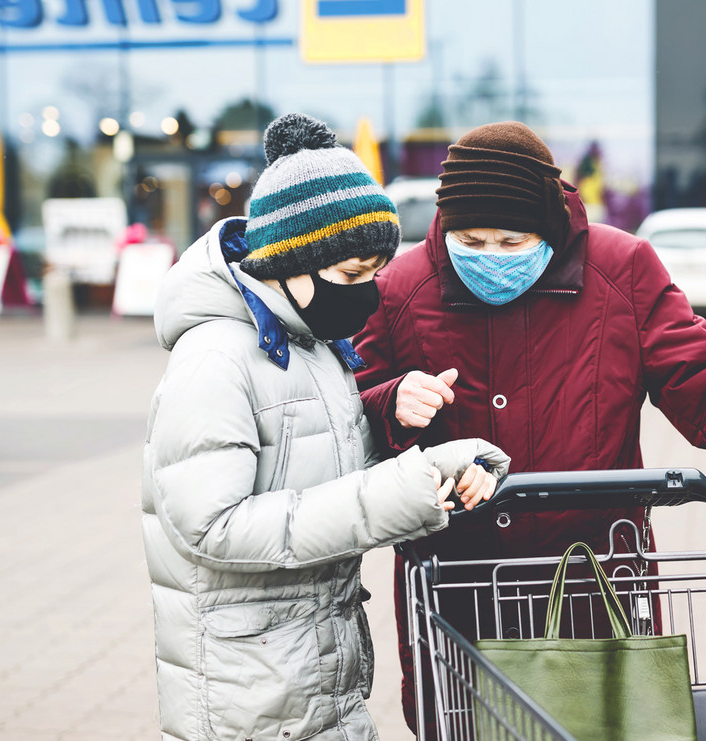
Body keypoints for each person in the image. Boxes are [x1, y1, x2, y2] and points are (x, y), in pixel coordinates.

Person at [353, 121, 706, 734]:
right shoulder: (400, 290)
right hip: (459, 584)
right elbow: (346, 412)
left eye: (512, 241)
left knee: (607, 724)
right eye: (471, 239)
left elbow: (705, 372)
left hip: (597, 577)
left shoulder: (623, 270)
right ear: (443, 227)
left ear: (548, 224)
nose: (491, 257)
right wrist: (390, 401)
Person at [140, 113, 510, 741]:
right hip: (250, 690)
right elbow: (211, 527)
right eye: (350, 276)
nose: (369, 295)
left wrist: (441, 463)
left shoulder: (313, 345)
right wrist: (399, 496)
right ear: (290, 261)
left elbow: (333, 474)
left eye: (374, 271)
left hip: (314, 672)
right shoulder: (217, 358)